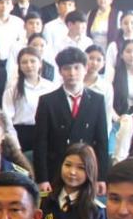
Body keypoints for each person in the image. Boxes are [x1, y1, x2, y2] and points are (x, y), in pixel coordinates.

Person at [33, 47, 110, 195]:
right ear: (60, 71)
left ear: (86, 69)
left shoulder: (97, 100)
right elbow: (40, 143)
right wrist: (42, 178)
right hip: (56, 169)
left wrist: (101, 177)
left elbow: (102, 141)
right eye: (67, 68)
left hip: (85, 168)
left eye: (77, 68)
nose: (72, 73)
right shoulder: (47, 101)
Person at [36, 142, 106, 219]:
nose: (72, 172)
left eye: (80, 168)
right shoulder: (42, 201)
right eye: (68, 165)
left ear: (90, 171)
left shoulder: (95, 211)